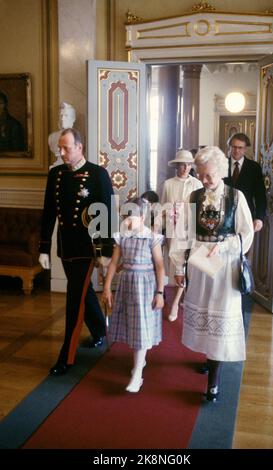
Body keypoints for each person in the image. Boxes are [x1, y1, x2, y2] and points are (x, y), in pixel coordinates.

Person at [171, 146, 254, 402]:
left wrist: (225, 245)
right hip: (200, 263)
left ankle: (214, 381)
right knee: (205, 313)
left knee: (220, 314)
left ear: (221, 171)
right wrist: (178, 267)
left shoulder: (236, 197)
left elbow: (246, 233)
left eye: (209, 175)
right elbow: (182, 233)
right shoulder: (194, 197)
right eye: (202, 175)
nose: (204, 180)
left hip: (225, 266)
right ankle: (210, 357)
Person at [39, 128, 114, 376]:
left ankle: (66, 357)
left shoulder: (97, 174)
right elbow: (48, 212)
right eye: (60, 148)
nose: (61, 153)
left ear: (79, 147)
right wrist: (43, 248)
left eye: (66, 148)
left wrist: (104, 251)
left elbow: (107, 214)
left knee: (74, 299)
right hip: (65, 246)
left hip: (87, 247)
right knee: (83, 291)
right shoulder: (56, 174)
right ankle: (100, 332)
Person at [102, 197, 165, 393]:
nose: (128, 222)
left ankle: (137, 374)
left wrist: (160, 292)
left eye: (133, 218)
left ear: (143, 216)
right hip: (127, 284)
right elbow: (114, 263)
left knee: (141, 327)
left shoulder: (151, 237)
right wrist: (106, 287)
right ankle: (140, 362)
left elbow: (160, 266)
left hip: (145, 286)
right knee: (134, 326)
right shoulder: (122, 237)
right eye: (126, 217)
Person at [160, 149, 202, 322]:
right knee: (175, 263)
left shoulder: (197, 184)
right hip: (172, 228)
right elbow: (163, 206)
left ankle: (176, 302)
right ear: (177, 165)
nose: (185, 167)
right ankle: (180, 294)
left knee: (184, 264)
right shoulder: (168, 184)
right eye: (182, 164)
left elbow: (201, 207)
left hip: (190, 229)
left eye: (188, 164)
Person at [224, 133, 267, 232]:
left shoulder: (254, 168)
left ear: (245, 149)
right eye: (234, 147)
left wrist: (259, 218)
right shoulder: (221, 164)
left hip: (246, 215)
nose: (236, 150)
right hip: (224, 215)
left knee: (245, 246)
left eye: (240, 147)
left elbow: (260, 195)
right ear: (229, 147)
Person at [48, 102, 76, 167]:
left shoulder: (76, 138)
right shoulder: (52, 137)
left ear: (73, 119)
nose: (62, 119)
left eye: (66, 115)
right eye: (61, 116)